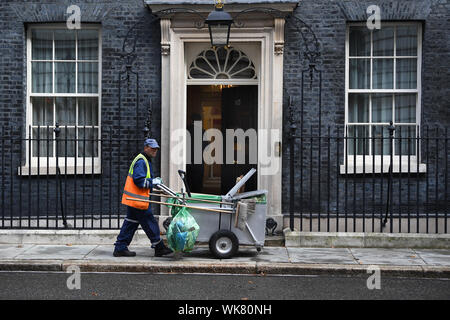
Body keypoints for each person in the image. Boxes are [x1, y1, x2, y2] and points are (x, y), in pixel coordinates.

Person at [114, 138, 173, 257]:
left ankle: (120, 247)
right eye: (152, 148)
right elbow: (139, 181)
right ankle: (158, 246)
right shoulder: (142, 161)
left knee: (130, 223)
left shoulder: (145, 160)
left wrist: (154, 183)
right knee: (149, 221)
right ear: (146, 147)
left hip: (135, 199)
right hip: (138, 199)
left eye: (156, 149)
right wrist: (153, 182)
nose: (154, 150)